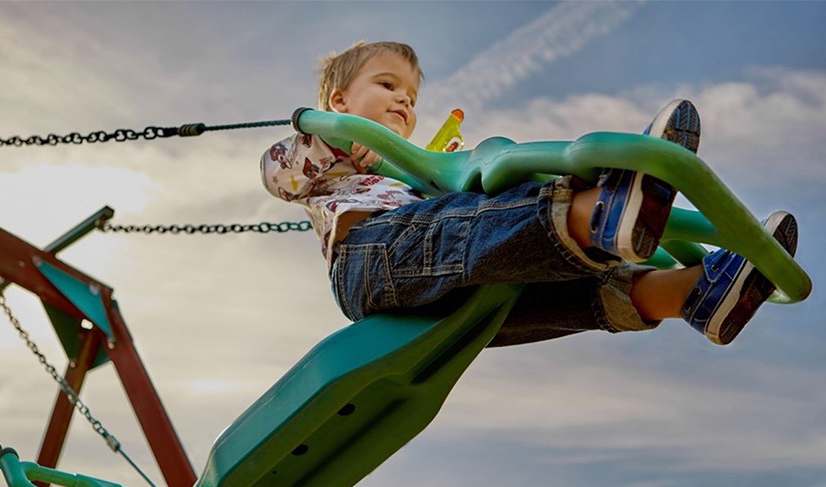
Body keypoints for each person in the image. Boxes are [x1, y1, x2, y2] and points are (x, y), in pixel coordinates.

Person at [261, 41, 798, 346]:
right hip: (371, 265)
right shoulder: (320, 156)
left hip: (436, 298)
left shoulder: (412, 169)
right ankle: (596, 213)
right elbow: (277, 173)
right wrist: (329, 133)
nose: (402, 101)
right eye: (387, 86)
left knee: (530, 294)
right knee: (474, 220)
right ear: (337, 100)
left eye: (410, 95)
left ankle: (691, 292)